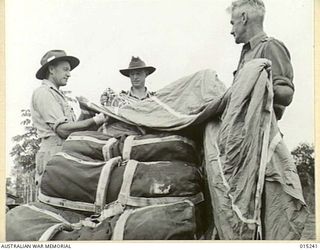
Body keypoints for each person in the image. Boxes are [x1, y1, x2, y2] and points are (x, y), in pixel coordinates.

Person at [31, 50, 107, 185]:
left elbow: (73, 132)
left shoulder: (57, 94)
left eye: (69, 70)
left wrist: (85, 113)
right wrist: (97, 120)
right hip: (53, 156)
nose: (69, 74)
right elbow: (62, 131)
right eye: (65, 69)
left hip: (64, 154)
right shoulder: (44, 93)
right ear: (51, 69)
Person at [228, 0, 294, 120]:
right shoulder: (247, 53)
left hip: (260, 131)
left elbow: (286, 95)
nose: (231, 31)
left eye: (233, 23)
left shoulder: (270, 46)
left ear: (244, 18)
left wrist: (254, 88)